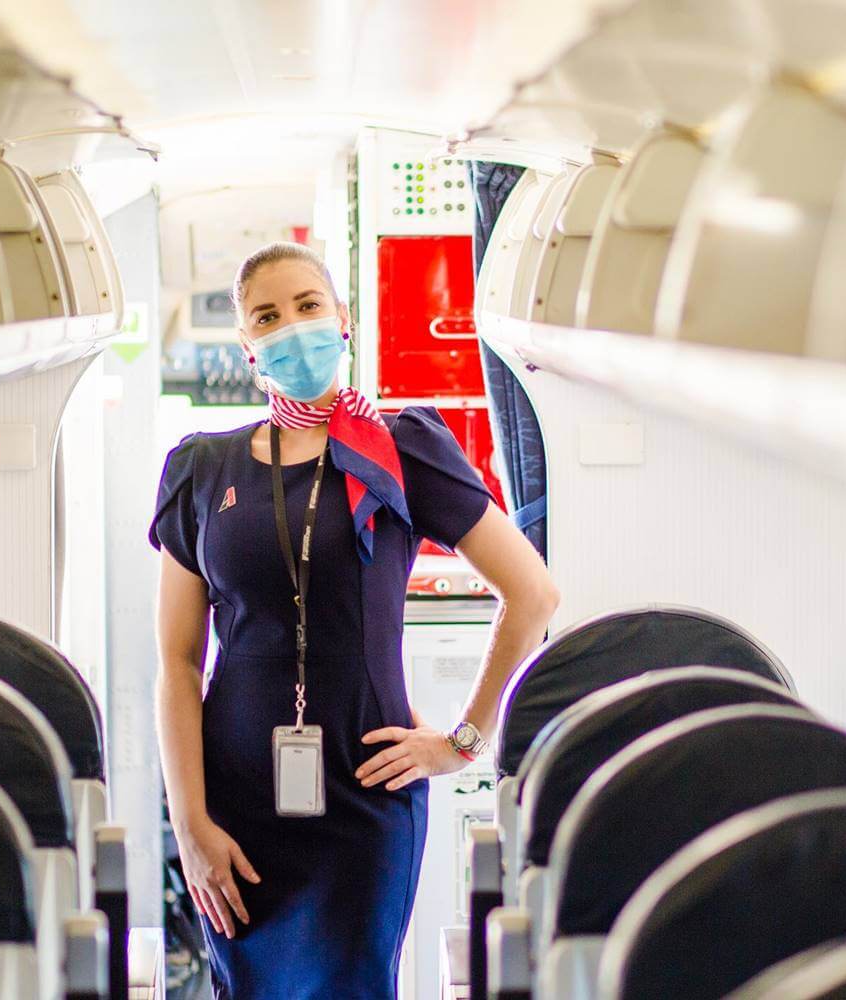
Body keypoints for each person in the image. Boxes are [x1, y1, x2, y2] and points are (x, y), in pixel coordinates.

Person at [149, 241, 559, 999]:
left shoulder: (402, 448)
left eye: (307, 305)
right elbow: (177, 662)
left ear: (343, 319)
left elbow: (532, 594)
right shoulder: (202, 469)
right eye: (267, 316)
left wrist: (463, 743)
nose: (291, 326)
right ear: (247, 344)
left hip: (365, 797)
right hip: (235, 803)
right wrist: (190, 824)